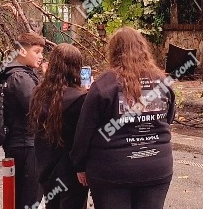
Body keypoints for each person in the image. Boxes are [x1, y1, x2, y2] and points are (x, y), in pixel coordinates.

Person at [71, 27, 176, 209]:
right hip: (156, 167)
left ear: (114, 52)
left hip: (112, 171)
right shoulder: (162, 81)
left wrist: (79, 164)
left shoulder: (104, 85)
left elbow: (84, 130)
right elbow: (169, 118)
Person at [28, 44, 89, 209]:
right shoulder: (79, 99)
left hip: (45, 167)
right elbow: (82, 138)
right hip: (71, 172)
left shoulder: (37, 93)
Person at [0, 32, 46, 208]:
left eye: (42, 52)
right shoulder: (20, 77)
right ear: (22, 51)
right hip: (25, 145)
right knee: (30, 198)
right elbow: (39, 110)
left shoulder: (12, 72)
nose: (41, 56)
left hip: (19, 144)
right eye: (37, 51)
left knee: (20, 197)